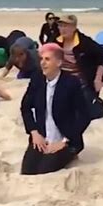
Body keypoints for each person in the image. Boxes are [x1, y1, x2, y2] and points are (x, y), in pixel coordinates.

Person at [20, 43, 91, 175]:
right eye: (41, 59)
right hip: (41, 137)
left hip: (64, 140)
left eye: (47, 59)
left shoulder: (71, 83)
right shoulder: (37, 79)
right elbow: (25, 107)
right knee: (27, 170)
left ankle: (71, 154)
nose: (42, 63)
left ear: (58, 62)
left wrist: (65, 141)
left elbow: (84, 115)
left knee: (44, 170)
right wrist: (34, 133)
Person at [55, 15, 103, 120]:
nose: (62, 29)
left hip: (80, 82)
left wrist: (98, 78)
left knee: (94, 112)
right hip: (60, 80)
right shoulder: (55, 40)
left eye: (66, 26)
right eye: (60, 26)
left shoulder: (84, 42)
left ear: (74, 27)